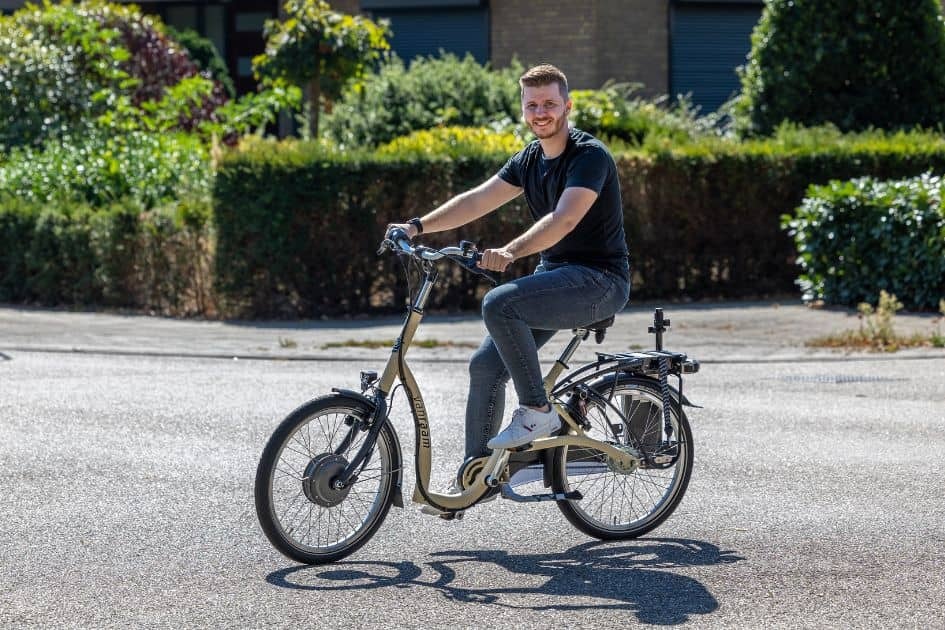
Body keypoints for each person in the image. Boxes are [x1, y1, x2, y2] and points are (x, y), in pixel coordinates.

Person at [388, 64, 630, 462]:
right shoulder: (529, 159)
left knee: (500, 303)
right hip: (555, 276)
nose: (540, 113)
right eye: (532, 105)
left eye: (549, 104)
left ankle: (538, 411)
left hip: (599, 281)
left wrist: (510, 251)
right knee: (485, 366)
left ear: (567, 106)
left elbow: (564, 219)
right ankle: (476, 475)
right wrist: (416, 227)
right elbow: (476, 200)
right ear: (523, 110)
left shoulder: (589, 156)